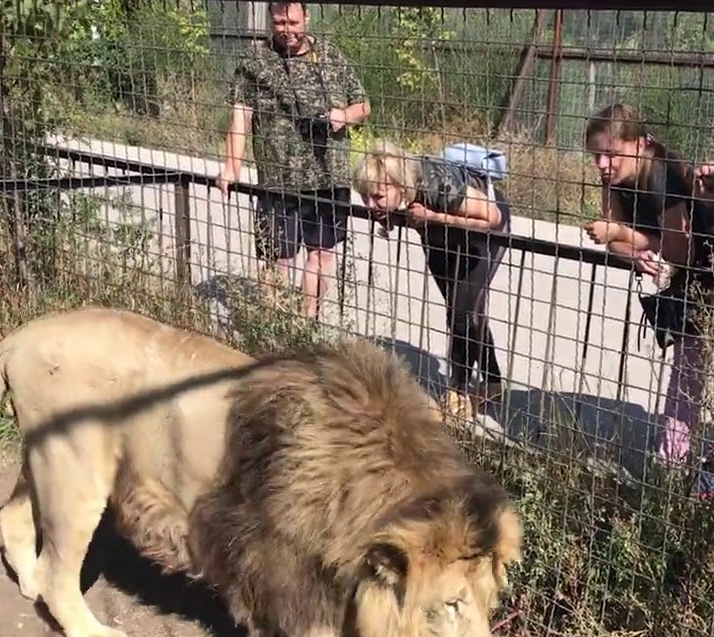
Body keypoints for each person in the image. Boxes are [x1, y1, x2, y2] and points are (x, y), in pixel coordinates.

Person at [581, 103, 714, 497]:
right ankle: (672, 460)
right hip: (697, 275)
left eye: (611, 153)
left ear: (638, 144)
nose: (602, 163)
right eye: (595, 155)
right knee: (688, 365)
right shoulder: (614, 177)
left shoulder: (664, 173)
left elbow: (676, 249)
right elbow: (618, 246)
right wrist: (634, 252)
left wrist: (621, 233)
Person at [216, 1, 371, 321]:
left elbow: (364, 106)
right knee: (277, 259)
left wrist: (343, 116)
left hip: (327, 179)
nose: (287, 30)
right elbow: (240, 118)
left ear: (307, 18)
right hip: (277, 182)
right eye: (279, 23)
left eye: (293, 22)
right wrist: (231, 167)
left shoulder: (330, 55)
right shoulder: (255, 59)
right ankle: (273, 325)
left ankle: (306, 322)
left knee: (322, 254)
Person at [352, 139, 512, 424]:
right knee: (461, 309)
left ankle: (457, 391)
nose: (370, 204)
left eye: (377, 196)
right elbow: (402, 210)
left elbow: (492, 217)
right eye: (366, 197)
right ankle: (493, 381)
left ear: (399, 184)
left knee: (462, 312)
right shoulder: (399, 192)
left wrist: (433, 216)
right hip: (440, 237)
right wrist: (391, 215)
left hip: (482, 235)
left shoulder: (438, 185)